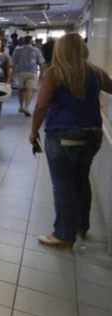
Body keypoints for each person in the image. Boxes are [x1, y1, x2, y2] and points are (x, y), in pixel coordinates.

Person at [29, 33, 112, 248]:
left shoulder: (54, 73)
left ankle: (64, 235)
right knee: (81, 179)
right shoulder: (96, 72)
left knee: (62, 184)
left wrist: (33, 131)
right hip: (93, 133)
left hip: (63, 134)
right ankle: (81, 226)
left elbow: (41, 106)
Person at [12, 35, 45, 116]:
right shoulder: (36, 50)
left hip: (20, 72)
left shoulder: (17, 50)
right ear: (31, 41)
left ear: (23, 41)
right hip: (32, 72)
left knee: (21, 90)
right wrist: (42, 72)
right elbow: (41, 62)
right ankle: (26, 107)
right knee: (29, 89)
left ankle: (21, 106)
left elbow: (13, 62)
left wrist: (12, 73)